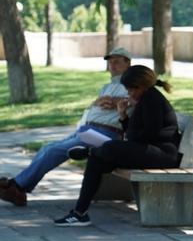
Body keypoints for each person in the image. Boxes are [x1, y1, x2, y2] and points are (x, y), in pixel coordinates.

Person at [0, 47, 133, 207]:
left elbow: (133, 101)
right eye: (110, 62)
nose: (113, 65)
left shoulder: (131, 84)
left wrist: (116, 101)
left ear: (128, 64)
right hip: (88, 130)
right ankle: (19, 190)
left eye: (117, 62)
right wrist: (95, 103)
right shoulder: (106, 87)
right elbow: (96, 107)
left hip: (107, 135)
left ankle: (17, 186)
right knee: (47, 147)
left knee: (53, 151)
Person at [53, 65, 182, 226]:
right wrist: (123, 115)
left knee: (110, 147)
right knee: (97, 160)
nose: (128, 93)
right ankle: (80, 213)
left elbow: (147, 135)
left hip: (163, 154)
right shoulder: (143, 100)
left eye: (131, 89)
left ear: (141, 86)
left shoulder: (152, 100)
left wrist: (126, 139)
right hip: (147, 150)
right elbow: (134, 134)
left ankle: (90, 151)